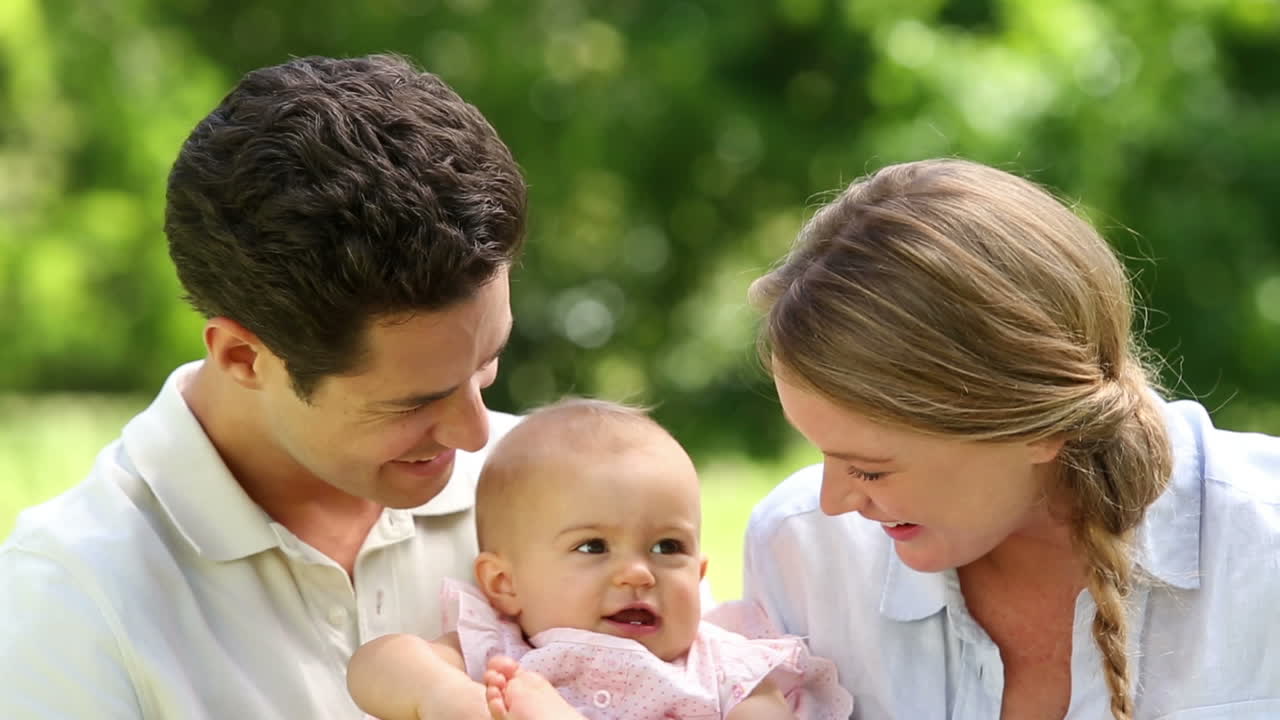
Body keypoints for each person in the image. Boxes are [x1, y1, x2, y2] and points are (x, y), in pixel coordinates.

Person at [0, 54, 527, 719]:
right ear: (244, 357)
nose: (478, 433)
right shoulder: (72, 600)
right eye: (415, 402)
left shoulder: (568, 498)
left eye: (487, 363)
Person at [744, 157, 1280, 719]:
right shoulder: (802, 554)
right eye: (823, 452)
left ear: (1037, 425)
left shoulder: (1260, 546)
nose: (835, 502)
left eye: (871, 469)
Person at [346, 398, 853, 720]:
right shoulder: (497, 651)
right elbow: (379, 665)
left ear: (699, 575)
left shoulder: (727, 669)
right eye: (592, 547)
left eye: (667, 548)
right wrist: (445, 697)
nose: (638, 573)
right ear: (504, 584)